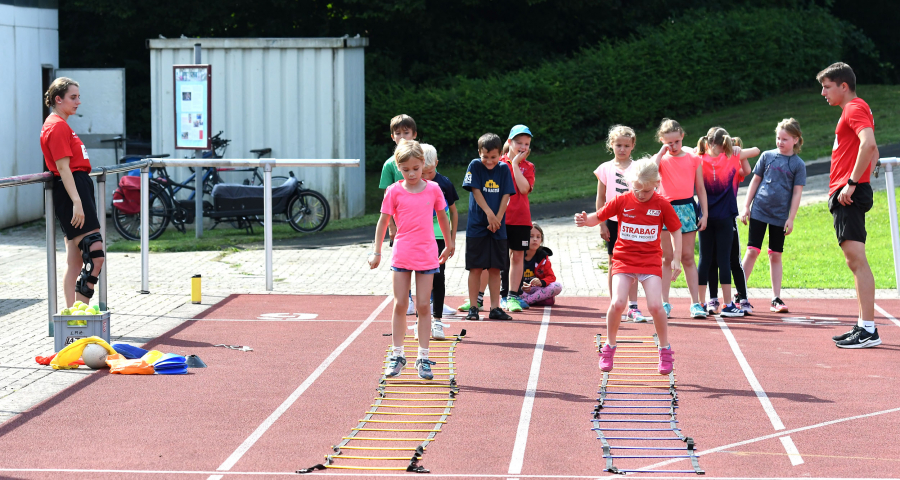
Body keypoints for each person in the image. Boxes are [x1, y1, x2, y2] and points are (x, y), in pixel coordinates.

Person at [576, 158, 682, 375]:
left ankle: (664, 349)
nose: (641, 194)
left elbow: (676, 231)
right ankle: (610, 346)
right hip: (624, 259)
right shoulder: (623, 200)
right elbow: (599, 216)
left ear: (656, 184)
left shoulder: (662, 204)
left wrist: (676, 260)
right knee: (618, 303)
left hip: (650, 261)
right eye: (637, 189)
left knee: (655, 306)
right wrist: (586, 220)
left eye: (646, 190)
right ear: (630, 183)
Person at [369, 139, 453, 380]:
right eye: (406, 169)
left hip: (427, 253)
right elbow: (383, 222)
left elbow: (443, 216)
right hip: (403, 252)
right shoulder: (393, 191)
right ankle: (397, 355)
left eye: (416, 168)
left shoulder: (434, 189)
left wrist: (449, 244)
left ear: (423, 164)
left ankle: (423, 357)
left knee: (424, 305)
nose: (412, 173)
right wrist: (377, 252)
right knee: (400, 304)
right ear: (398, 167)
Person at [817, 62, 881, 349]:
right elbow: (873, 150)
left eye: (827, 86)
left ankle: (868, 329)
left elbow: (869, 145)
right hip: (848, 191)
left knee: (857, 260)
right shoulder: (853, 110)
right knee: (853, 261)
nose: (823, 92)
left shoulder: (854, 108)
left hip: (848, 192)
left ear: (844, 86)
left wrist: (853, 182)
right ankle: (862, 325)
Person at [40, 77, 106, 308]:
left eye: (79, 96)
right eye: (73, 97)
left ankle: (71, 315)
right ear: (58, 99)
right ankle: (81, 316)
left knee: (76, 261)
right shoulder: (56, 126)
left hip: (77, 189)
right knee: (94, 256)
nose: (78, 101)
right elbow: (62, 167)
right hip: (72, 192)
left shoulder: (61, 124)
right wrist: (77, 202)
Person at [740, 119, 807, 313]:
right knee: (752, 250)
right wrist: (746, 206)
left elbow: (797, 192)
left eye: (785, 139)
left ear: (795, 139)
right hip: (760, 211)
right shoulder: (767, 156)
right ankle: (740, 293)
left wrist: (791, 218)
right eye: (778, 138)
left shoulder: (798, 164)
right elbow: (755, 181)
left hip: (780, 217)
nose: (780, 142)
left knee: (775, 254)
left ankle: (776, 298)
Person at [696, 127, 758, 317]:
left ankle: (703, 302)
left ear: (708, 143)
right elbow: (756, 151)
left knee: (706, 259)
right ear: (726, 144)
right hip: (725, 217)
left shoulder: (699, 159)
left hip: (704, 217)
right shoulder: (731, 157)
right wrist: (738, 150)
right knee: (725, 260)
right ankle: (728, 303)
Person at [652, 118, 708, 319]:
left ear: (682, 136)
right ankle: (664, 303)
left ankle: (695, 303)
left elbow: (700, 188)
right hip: (666, 209)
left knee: (687, 258)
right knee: (666, 258)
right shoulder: (661, 159)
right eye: (668, 143)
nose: (673, 146)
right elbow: (649, 172)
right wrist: (661, 152)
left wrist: (705, 213)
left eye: (676, 141)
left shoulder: (693, 158)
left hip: (687, 209)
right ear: (662, 141)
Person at [462, 133, 516, 321]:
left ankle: (495, 308)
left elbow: (506, 195)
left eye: (493, 157)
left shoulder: (503, 169)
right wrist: (489, 214)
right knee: (476, 267)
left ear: (501, 154)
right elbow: (475, 190)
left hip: (498, 226)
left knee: (495, 268)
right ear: (479, 153)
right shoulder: (475, 165)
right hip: (477, 225)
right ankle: (473, 307)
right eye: (485, 156)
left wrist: (498, 217)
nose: (489, 161)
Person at [595, 125, 646, 322]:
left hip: (634, 223)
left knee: (632, 263)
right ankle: (615, 303)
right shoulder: (605, 168)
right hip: (612, 222)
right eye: (618, 145)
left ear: (633, 145)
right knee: (613, 262)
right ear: (611, 145)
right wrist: (601, 223)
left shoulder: (639, 168)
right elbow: (600, 198)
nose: (622, 149)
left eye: (626, 145)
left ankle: (633, 307)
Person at [378, 114, 418, 315]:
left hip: (420, 224)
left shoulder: (422, 158)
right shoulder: (389, 165)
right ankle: (407, 299)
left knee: (426, 263)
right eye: (398, 133)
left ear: (414, 134)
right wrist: (392, 226)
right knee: (403, 264)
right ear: (392, 136)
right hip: (401, 225)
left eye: (406, 132)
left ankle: (430, 300)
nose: (402, 137)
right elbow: (387, 199)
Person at [706, 136, 751, 315]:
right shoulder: (709, 165)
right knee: (712, 261)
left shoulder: (732, 165)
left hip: (728, 218)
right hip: (711, 219)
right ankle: (713, 298)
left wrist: (740, 151)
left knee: (734, 261)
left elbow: (746, 170)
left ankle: (743, 298)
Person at [421, 143, 459, 340]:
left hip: (439, 238)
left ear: (436, 164)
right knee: (421, 279)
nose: (425, 176)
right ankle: (422, 321)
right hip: (419, 238)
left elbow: (452, 211)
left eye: (429, 172)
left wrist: (451, 239)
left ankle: (437, 321)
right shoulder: (414, 183)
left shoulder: (443, 183)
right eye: (422, 172)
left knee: (438, 278)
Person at [499, 125, 536, 313]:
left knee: (518, 255)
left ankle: (514, 294)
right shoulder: (498, 163)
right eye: (518, 142)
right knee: (501, 258)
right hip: (501, 218)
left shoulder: (528, 167)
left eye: (526, 143)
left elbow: (523, 189)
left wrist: (515, 165)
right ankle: (500, 295)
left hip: (521, 218)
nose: (522, 146)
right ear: (509, 142)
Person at [519, 222, 562, 307]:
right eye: (531, 236)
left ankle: (526, 301)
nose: (535, 239)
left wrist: (541, 282)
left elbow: (551, 277)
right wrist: (521, 285)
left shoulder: (543, 257)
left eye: (538, 237)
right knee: (548, 301)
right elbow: (507, 276)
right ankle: (539, 299)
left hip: (536, 289)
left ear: (541, 240)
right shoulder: (517, 254)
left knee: (557, 286)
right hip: (521, 289)